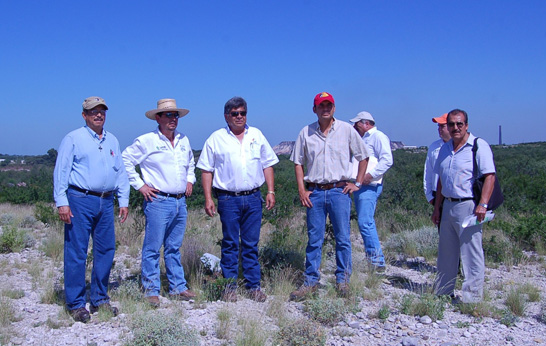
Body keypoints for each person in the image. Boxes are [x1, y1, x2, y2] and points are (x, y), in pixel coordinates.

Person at [53, 96, 129, 323]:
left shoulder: (112, 140)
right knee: (76, 251)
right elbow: (61, 171)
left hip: (106, 201)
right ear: (84, 115)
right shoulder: (73, 139)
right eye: (93, 111)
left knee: (106, 250)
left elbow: (120, 172)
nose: (98, 114)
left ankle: (99, 299)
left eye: (102, 111)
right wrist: (62, 201)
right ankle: (76, 304)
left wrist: (123, 200)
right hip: (79, 199)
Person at [197, 96, 279, 302]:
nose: (239, 117)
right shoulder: (216, 138)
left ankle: (253, 287)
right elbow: (206, 170)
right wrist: (208, 198)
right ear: (226, 116)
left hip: (253, 197)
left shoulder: (257, 135)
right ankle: (229, 288)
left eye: (243, 113)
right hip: (228, 199)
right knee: (230, 243)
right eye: (235, 114)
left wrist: (271, 191)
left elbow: (267, 164)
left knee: (251, 244)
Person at [289, 92, 369, 300]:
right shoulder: (306, 132)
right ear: (314, 109)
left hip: (339, 191)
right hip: (314, 192)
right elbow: (298, 162)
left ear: (334, 108)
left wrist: (358, 183)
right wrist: (301, 190)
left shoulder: (346, 131)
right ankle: (311, 282)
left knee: (343, 238)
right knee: (314, 239)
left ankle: (343, 281)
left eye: (329, 105)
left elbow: (363, 157)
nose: (325, 108)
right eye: (321, 105)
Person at [122, 99, 196, 308]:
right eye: (168, 115)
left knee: (174, 247)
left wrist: (190, 179)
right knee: (153, 247)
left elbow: (191, 162)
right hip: (158, 200)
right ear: (158, 118)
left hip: (180, 201)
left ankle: (178, 287)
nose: (173, 119)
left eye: (175, 115)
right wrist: (140, 185)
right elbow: (125, 159)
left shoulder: (183, 140)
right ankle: (151, 290)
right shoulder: (146, 141)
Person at [431, 109, 496, 303]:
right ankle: (443, 292)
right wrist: (437, 208)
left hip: (469, 206)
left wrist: (482, 204)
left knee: (471, 253)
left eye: (459, 124)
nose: (455, 128)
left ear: (466, 125)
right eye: (451, 124)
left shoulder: (478, 146)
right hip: (448, 206)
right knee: (446, 253)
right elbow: (441, 180)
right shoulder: (445, 148)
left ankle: (472, 298)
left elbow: (489, 177)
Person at [349, 111, 393, 271]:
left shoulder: (378, 136)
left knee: (365, 222)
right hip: (360, 184)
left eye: (357, 123)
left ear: (366, 123)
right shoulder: (363, 138)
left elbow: (387, 160)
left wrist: (369, 176)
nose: (354, 126)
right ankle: (374, 260)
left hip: (369, 185)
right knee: (365, 222)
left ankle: (377, 262)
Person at [423, 113, 451, 205]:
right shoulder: (434, 147)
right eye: (438, 126)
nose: (439, 129)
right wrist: (429, 196)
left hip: (456, 195)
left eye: (442, 126)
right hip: (437, 194)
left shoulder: (461, 147)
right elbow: (428, 171)